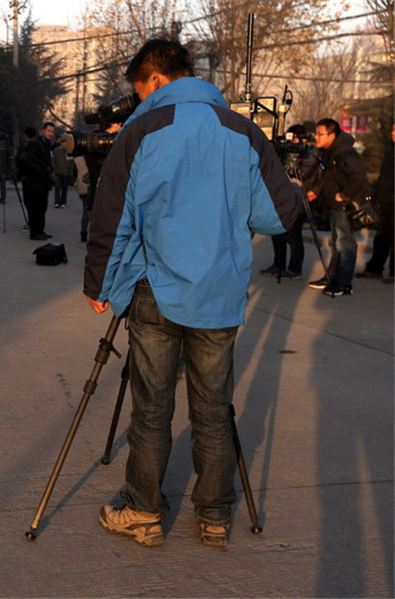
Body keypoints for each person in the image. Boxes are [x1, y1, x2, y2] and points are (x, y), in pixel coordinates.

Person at [84, 39, 300, 548]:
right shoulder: (242, 131)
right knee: (214, 408)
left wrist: (99, 284)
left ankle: (142, 511)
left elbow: (111, 218)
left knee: (152, 409)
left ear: (155, 80)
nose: (136, 102)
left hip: (155, 290)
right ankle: (214, 517)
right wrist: (286, 187)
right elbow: (276, 216)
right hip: (220, 294)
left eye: (138, 91)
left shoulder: (140, 132)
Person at [306, 118, 369, 296]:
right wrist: (317, 192)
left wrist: (344, 195)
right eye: (316, 133)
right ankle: (332, 277)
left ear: (332, 135)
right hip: (335, 207)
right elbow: (328, 178)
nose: (316, 137)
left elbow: (359, 177)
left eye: (320, 134)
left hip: (344, 207)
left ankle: (344, 283)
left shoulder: (344, 152)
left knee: (345, 244)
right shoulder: (330, 152)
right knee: (336, 243)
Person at [260, 124, 316, 280]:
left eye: (294, 138)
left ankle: (295, 269)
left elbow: (303, 175)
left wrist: (291, 178)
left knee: (293, 237)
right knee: (276, 234)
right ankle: (278, 264)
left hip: (300, 200)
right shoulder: (282, 154)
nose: (291, 142)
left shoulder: (309, 155)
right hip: (282, 199)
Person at [356, 123, 394, 283]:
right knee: (382, 237)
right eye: (392, 129)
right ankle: (374, 269)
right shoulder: (390, 151)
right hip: (386, 201)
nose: (392, 132)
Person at [16, 123, 55, 239]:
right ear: (42, 131)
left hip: (42, 182)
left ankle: (40, 230)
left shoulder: (46, 144)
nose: (51, 134)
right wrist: (41, 170)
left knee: (42, 207)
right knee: (35, 208)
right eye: (49, 131)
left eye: (52, 132)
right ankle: (35, 232)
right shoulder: (35, 144)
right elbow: (29, 161)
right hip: (34, 182)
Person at [52, 137, 72, 208]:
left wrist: (70, 169)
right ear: (61, 143)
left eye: (66, 142)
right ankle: (57, 202)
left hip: (66, 172)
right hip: (58, 172)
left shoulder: (69, 151)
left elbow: (71, 161)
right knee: (57, 188)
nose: (65, 144)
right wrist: (54, 168)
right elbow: (53, 161)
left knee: (64, 188)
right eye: (64, 142)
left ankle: (63, 202)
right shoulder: (56, 150)